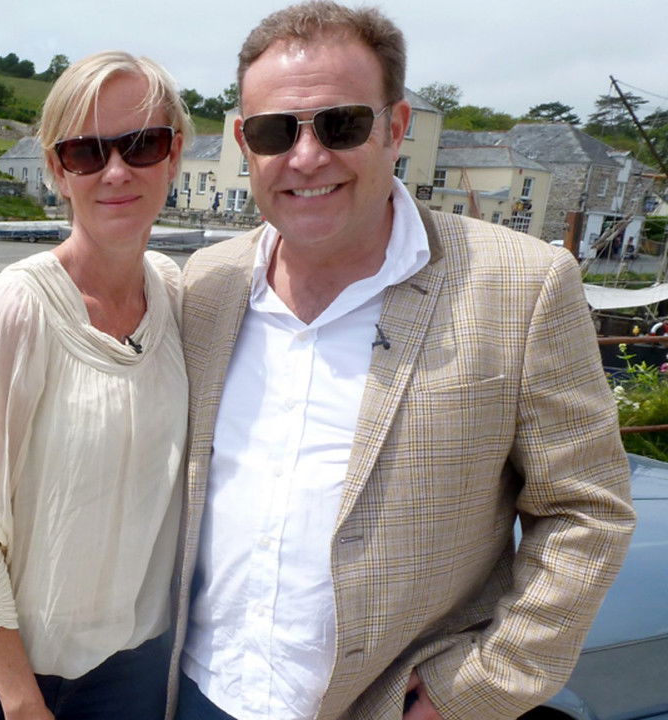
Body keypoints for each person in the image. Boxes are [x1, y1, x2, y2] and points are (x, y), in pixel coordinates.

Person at [170, 3, 636, 720]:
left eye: (341, 124)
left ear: (396, 128)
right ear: (244, 143)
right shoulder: (208, 283)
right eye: (275, 131)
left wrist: (472, 691)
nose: (306, 157)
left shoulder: (521, 285)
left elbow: (586, 510)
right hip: (203, 688)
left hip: (386, 703)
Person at [0, 50, 192, 720]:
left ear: (174, 154)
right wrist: (21, 702)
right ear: (58, 171)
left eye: (141, 144)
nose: (116, 171)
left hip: (130, 671)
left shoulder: (177, 296)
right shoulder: (14, 308)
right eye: (85, 152)